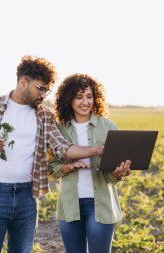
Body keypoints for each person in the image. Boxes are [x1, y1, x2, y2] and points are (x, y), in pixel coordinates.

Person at [0, 56, 104, 253]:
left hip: (27, 197)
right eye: (40, 88)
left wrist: (95, 150)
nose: (44, 94)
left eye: (47, 90)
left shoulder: (44, 115)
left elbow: (62, 147)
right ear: (23, 82)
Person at [49, 73, 131, 253]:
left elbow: (111, 175)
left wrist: (117, 174)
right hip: (69, 206)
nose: (85, 102)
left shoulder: (108, 127)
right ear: (68, 100)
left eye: (89, 96)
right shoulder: (59, 129)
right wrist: (68, 167)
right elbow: (52, 167)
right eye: (78, 97)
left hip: (100, 204)